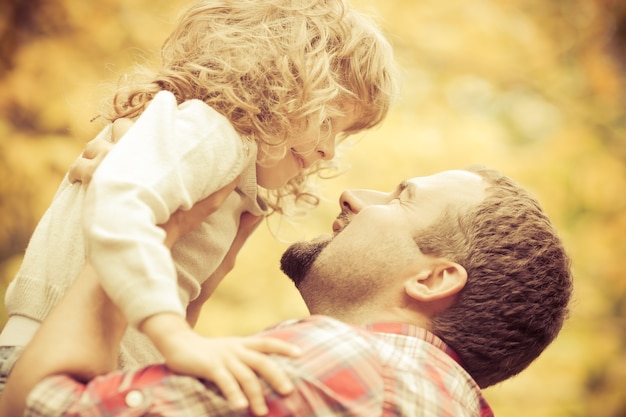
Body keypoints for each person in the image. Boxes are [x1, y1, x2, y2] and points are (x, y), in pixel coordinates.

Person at [0, 0, 397, 412]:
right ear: (278, 83)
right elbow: (120, 206)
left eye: (344, 136)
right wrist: (175, 337)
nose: (329, 151)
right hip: (43, 361)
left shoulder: (232, 174)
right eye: (329, 120)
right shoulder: (212, 131)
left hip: (92, 375)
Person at [0, 166, 573, 417]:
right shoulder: (437, 397)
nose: (353, 196)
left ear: (431, 279)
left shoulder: (347, 366)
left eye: (401, 198)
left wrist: (135, 228)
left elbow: (35, 408)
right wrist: (186, 285)